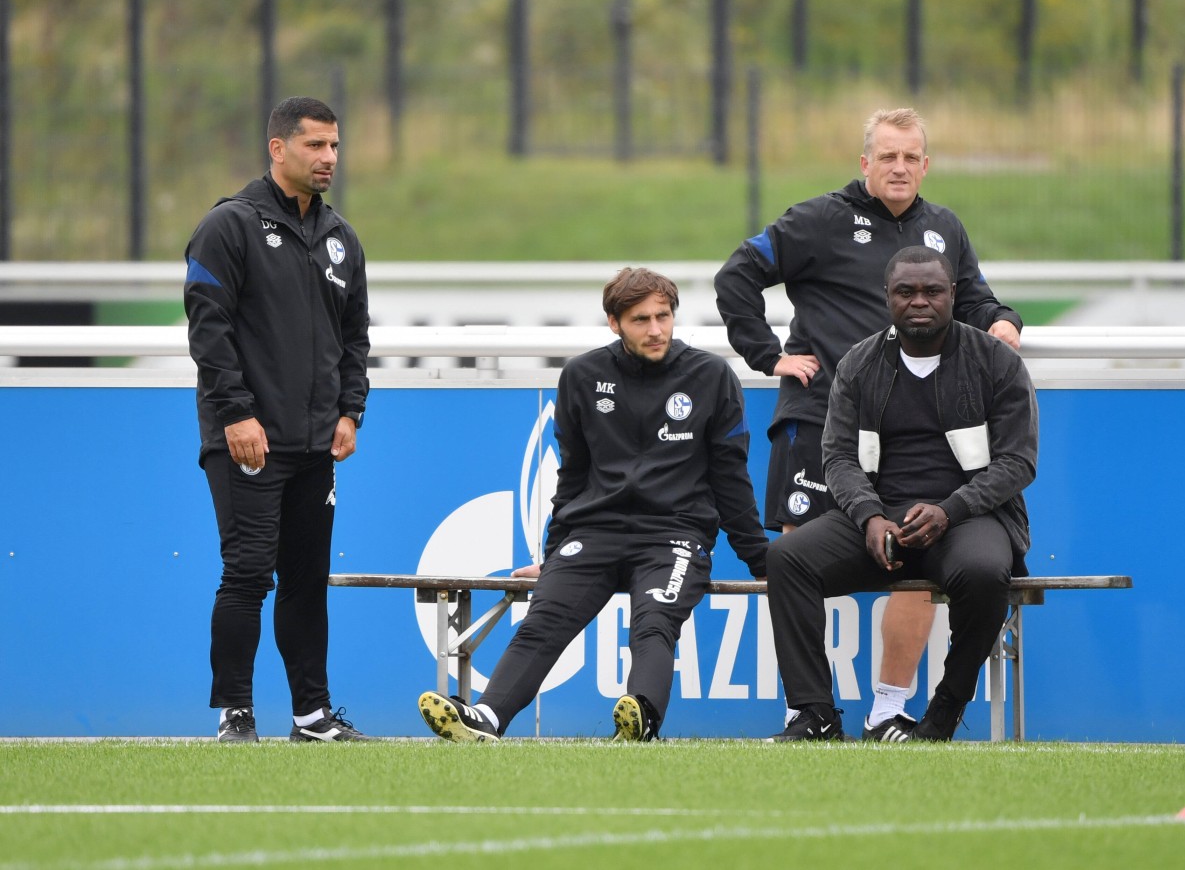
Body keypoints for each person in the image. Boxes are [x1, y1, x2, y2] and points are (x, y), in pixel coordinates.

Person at [714, 107, 1023, 740]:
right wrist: (768, 354)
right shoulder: (818, 219)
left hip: (916, 431)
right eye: (888, 157)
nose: (900, 168)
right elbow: (736, 275)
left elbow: (975, 298)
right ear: (866, 163)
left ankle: (889, 710)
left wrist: (1003, 323)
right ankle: (809, 708)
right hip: (824, 415)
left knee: (912, 568)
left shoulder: (943, 228)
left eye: (911, 157)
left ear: (926, 164)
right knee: (801, 560)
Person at [418, 267, 769, 742]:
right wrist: (553, 555)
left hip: (675, 535)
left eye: (663, 316)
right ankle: (487, 719)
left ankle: (640, 718)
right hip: (593, 534)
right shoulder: (582, 376)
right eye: (640, 319)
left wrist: (758, 558)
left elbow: (731, 475)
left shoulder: (710, 376)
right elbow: (573, 476)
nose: (655, 329)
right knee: (541, 622)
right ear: (614, 323)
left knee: (654, 622)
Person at [764, 247, 1037, 741]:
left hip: (968, 517)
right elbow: (840, 459)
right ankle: (814, 714)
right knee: (788, 559)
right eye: (905, 292)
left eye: (932, 291)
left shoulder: (995, 362)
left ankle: (942, 715)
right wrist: (869, 517)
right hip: (880, 519)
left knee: (983, 572)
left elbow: (1018, 463)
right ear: (886, 297)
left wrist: (950, 510)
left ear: (953, 295)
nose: (919, 302)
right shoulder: (859, 363)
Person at [184, 96, 372, 743]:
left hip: (315, 444)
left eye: (335, 147)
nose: (329, 159)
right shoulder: (228, 226)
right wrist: (237, 415)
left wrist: (351, 410)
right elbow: (208, 333)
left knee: (305, 581)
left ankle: (312, 717)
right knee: (247, 573)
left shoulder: (342, 239)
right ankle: (235, 712)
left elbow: (355, 338)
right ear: (277, 148)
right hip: (246, 441)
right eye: (315, 146)